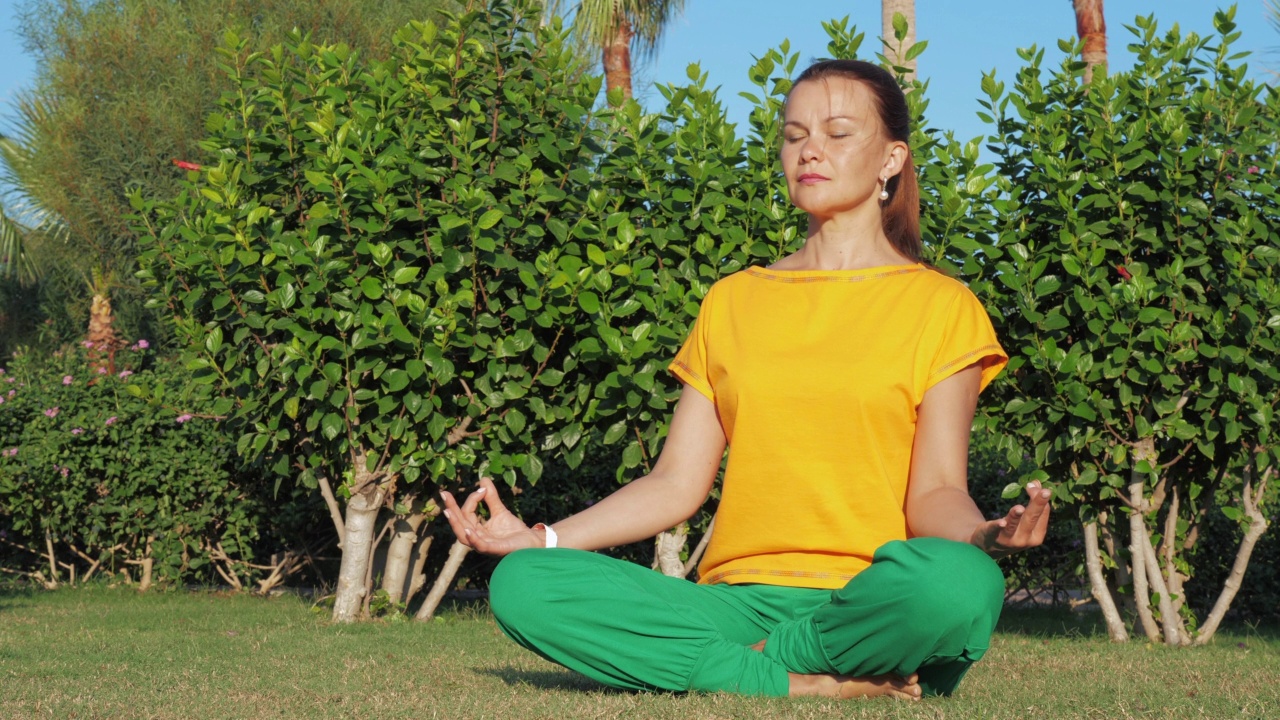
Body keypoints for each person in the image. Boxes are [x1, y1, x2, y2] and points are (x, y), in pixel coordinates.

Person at [441, 58, 1051, 702]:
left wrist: (985, 535)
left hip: (865, 599)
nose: (810, 149)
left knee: (961, 583)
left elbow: (934, 492)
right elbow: (676, 484)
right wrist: (542, 538)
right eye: (794, 135)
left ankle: (757, 666)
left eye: (838, 133)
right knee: (526, 582)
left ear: (891, 159)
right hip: (732, 602)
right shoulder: (732, 300)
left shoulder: (943, 307)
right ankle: (805, 681)